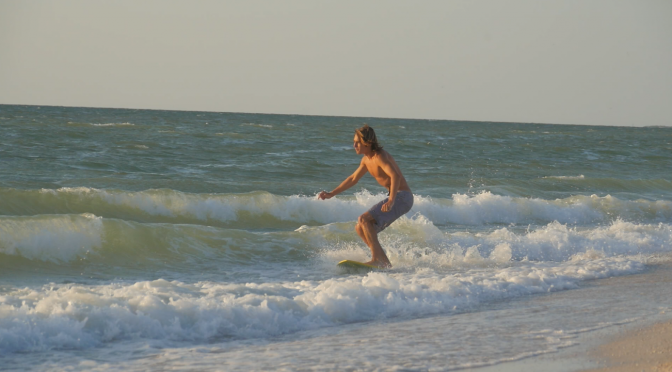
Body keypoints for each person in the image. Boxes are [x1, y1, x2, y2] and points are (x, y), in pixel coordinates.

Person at [318, 125, 413, 268]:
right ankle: (383, 261)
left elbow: (395, 176)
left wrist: (392, 200)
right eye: (354, 142)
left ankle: (377, 259)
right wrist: (332, 193)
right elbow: (353, 179)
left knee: (364, 219)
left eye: (357, 142)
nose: (354, 145)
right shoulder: (366, 160)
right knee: (360, 227)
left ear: (367, 143)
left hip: (402, 197)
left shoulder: (380, 156)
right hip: (398, 197)